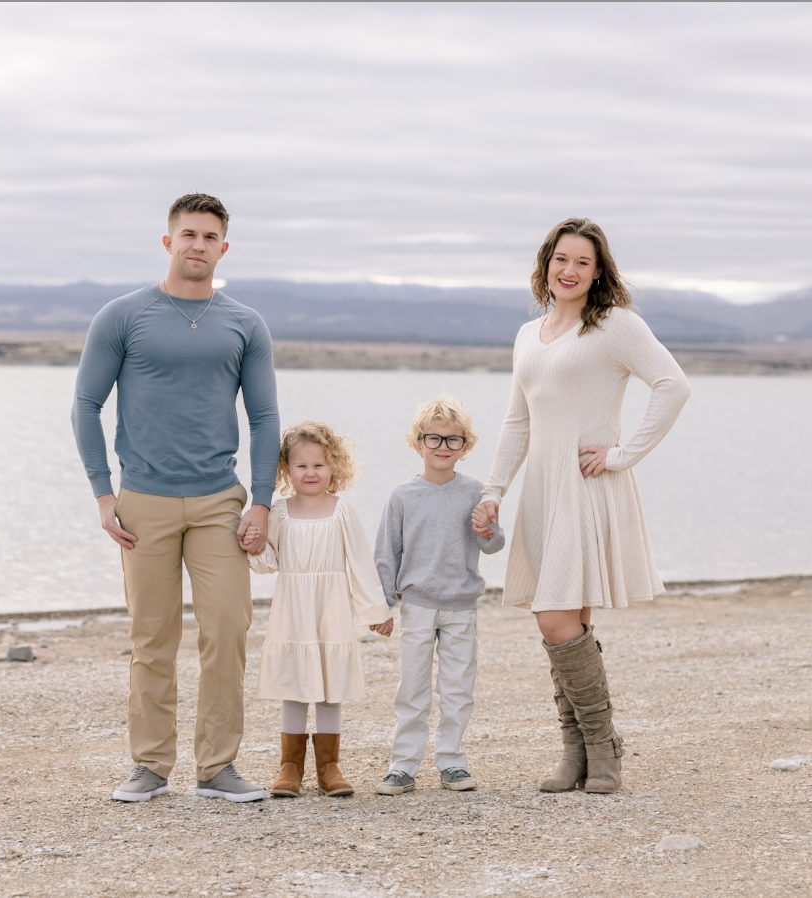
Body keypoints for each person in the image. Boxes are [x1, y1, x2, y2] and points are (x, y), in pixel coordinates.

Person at [71, 193, 280, 803]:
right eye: (188, 234)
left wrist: (262, 501)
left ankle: (217, 767)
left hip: (220, 503)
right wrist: (102, 493)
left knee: (227, 632)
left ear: (223, 248)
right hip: (143, 503)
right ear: (168, 242)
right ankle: (151, 766)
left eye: (209, 237)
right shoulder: (122, 316)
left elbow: (265, 417)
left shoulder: (245, 324)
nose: (197, 245)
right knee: (152, 638)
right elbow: (86, 404)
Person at [472, 218, 690, 794]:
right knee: (572, 620)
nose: (569, 270)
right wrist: (494, 490)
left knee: (555, 618)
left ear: (598, 272)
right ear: (546, 264)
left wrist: (623, 454)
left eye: (582, 262)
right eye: (561, 259)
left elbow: (673, 385)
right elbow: (517, 421)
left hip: (586, 485)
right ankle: (581, 753)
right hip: (542, 491)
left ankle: (600, 745)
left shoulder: (615, 324)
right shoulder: (528, 334)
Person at [246, 421, 394, 798]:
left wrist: (375, 611)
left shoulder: (342, 510)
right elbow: (267, 563)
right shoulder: (279, 512)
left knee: (331, 689)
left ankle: (329, 767)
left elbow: (360, 563)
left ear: (333, 466)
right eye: (301, 466)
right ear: (286, 468)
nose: (310, 473)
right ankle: (290, 766)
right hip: (293, 608)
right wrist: (253, 545)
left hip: (332, 609)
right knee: (294, 688)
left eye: (319, 465)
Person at [373, 398, 505, 796]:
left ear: (466, 446)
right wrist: (383, 604)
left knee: (458, 688)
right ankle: (403, 766)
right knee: (412, 688)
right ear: (418, 443)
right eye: (434, 438)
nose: (443, 446)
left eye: (453, 439)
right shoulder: (402, 495)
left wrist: (486, 529)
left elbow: (494, 544)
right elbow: (386, 554)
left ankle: (452, 762)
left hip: (461, 606)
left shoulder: (476, 492)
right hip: (417, 605)